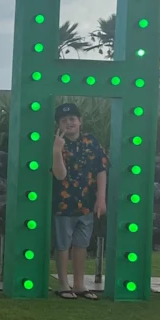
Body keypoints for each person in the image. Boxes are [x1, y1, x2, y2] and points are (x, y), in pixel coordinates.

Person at [51, 103, 108, 300]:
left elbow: (101, 169)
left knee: (81, 244)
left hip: (86, 203)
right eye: (64, 120)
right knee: (63, 244)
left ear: (80, 121)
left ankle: (79, 284)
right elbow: (60, 175)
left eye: (72, 119)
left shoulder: (91, 141)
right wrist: (57, 151)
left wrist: (101, 198)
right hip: (63, 204)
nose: (69, 123)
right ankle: (63, 284)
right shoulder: (58, 143)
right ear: (58, 124)